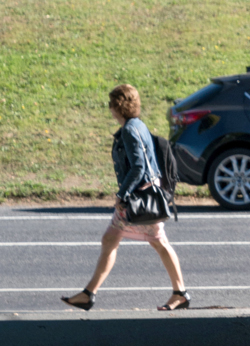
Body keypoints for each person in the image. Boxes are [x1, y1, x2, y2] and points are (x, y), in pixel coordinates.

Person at [62, 84, 189, 313]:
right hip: (142, 194)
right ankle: (88, 293)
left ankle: (180, 293)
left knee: (155, 243)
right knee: (113, 239)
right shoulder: (137, 126)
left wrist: (122, 194)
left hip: (138, 197)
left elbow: (139, 167)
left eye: (111, 104)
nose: (109, 109)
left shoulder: (131, 130)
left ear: (118, 106)